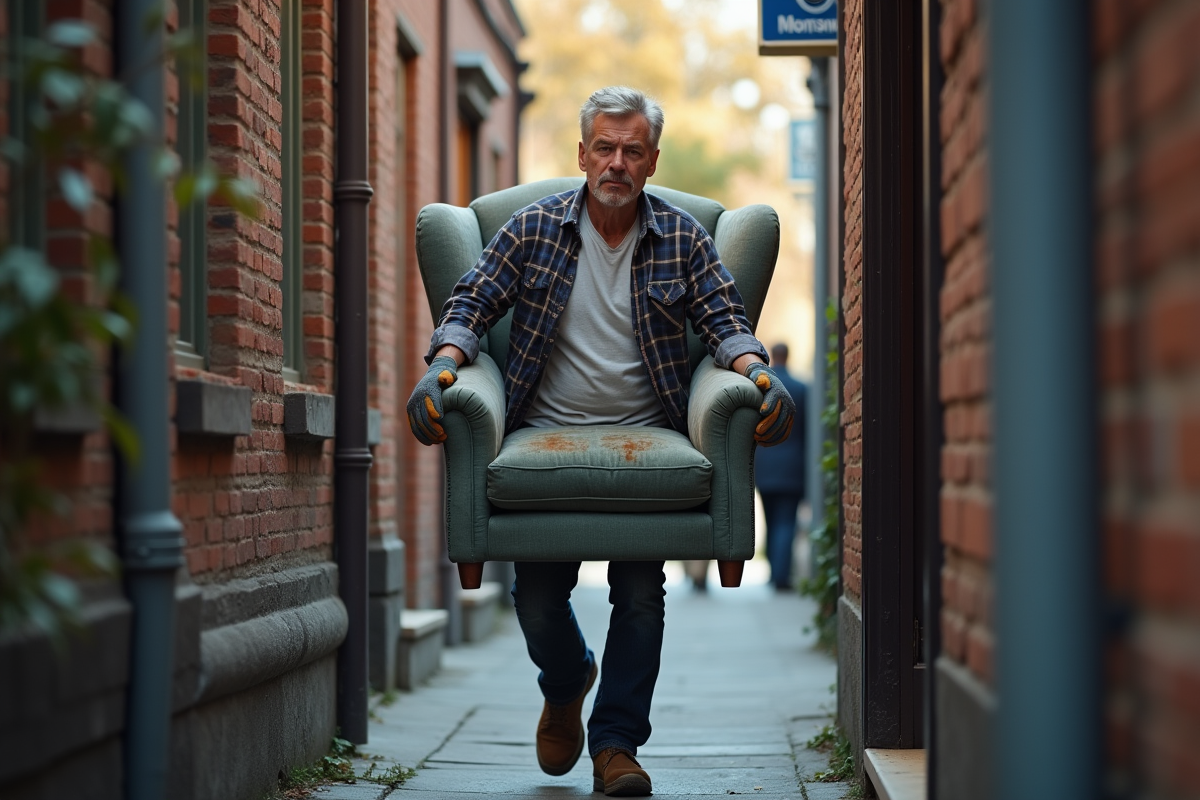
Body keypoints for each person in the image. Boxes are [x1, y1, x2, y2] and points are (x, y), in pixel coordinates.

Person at [406, 86, 795, 798]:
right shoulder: (532, 230)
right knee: (535, 600)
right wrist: (443, 365)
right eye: (605, 148)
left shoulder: (681, 236)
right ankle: (566, 680)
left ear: (651, 162)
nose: (617, 162)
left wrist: (757, 372)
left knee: (642, 595)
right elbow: (471, 303)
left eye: (633, 151)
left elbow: (724, 321)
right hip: (542, 431)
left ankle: (617, 747)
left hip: (648, 436)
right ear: (583, 154)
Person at [754, 343, 808, 591]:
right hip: (792, 467)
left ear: (772, 357)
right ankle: (781, 578)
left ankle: (775, 573)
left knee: (772, 520)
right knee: (786, 522)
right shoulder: (801, 389)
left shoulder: (760, 389)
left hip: (764, 466)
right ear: (788, 355)